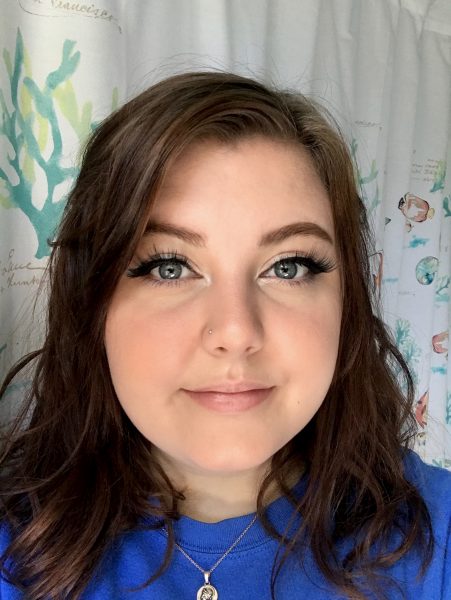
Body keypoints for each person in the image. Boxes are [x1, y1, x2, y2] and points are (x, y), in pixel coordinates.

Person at [0, 71, 449, 600]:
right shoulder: (15, 542)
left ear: (346, 300)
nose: (236, 332)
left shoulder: (436, 538)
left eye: (288, 266)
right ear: (91, 302)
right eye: (168, 266)